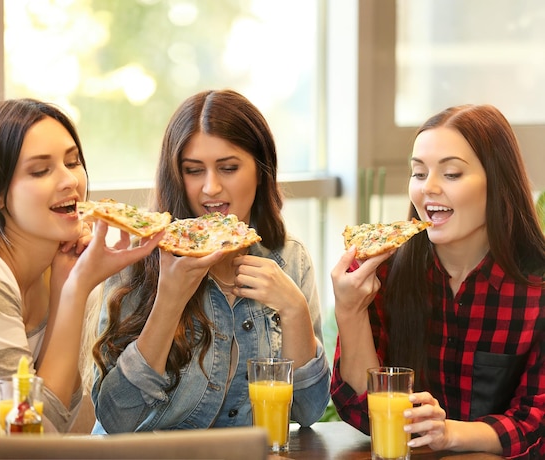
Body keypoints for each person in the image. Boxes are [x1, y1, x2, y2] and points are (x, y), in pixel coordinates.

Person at [0, 99, 163, 446]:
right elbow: (37, 435)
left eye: (72, 161)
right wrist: (76, 288)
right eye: (40, 171)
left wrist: (68, 284)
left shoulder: (57, 262)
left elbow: (53, 420)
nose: (70, 181)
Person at [90, 89, 331, 433]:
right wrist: (169, 302)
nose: (211, 188)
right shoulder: (140, 258)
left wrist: (294, 310)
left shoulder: (289, 259)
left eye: (229, 168)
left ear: (261, 171)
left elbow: (309, 412)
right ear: (176, 175)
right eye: (193, 170)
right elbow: (114, 419)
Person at [330, 104, 544, 458]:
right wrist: (350, 312)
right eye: (418, 173)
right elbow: (361, 411)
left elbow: (535, 422)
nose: (428, 189)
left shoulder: (537, 286)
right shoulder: (384, 274)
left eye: (452, 174)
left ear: (498, 182)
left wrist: (449, 434)